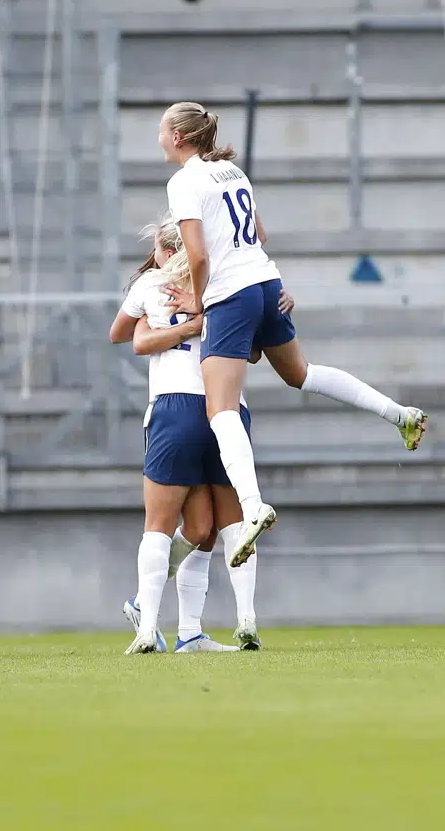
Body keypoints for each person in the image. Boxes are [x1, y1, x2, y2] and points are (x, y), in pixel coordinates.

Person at [159, 100, 428, 569]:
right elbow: (259, 233)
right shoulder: (231, 172)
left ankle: (253, 504)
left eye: (161, 129)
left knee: (219, 407)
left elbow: (198, 257)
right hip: (266, 283)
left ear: (178, 138)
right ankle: (398, 413)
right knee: (300, 373)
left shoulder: (184, 180)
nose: (159, 137)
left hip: (232, 294)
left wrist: (200, 302)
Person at [110, 216, 274, 653]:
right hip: (204, 404)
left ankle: (191, 630)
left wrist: (160, 324)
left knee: (203, 527)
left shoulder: (160, 285)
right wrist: (190, 323)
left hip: (194, 408)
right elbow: (256, 352)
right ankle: (159, 624)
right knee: (200, 525)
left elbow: (125, 335)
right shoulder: (220, 287)